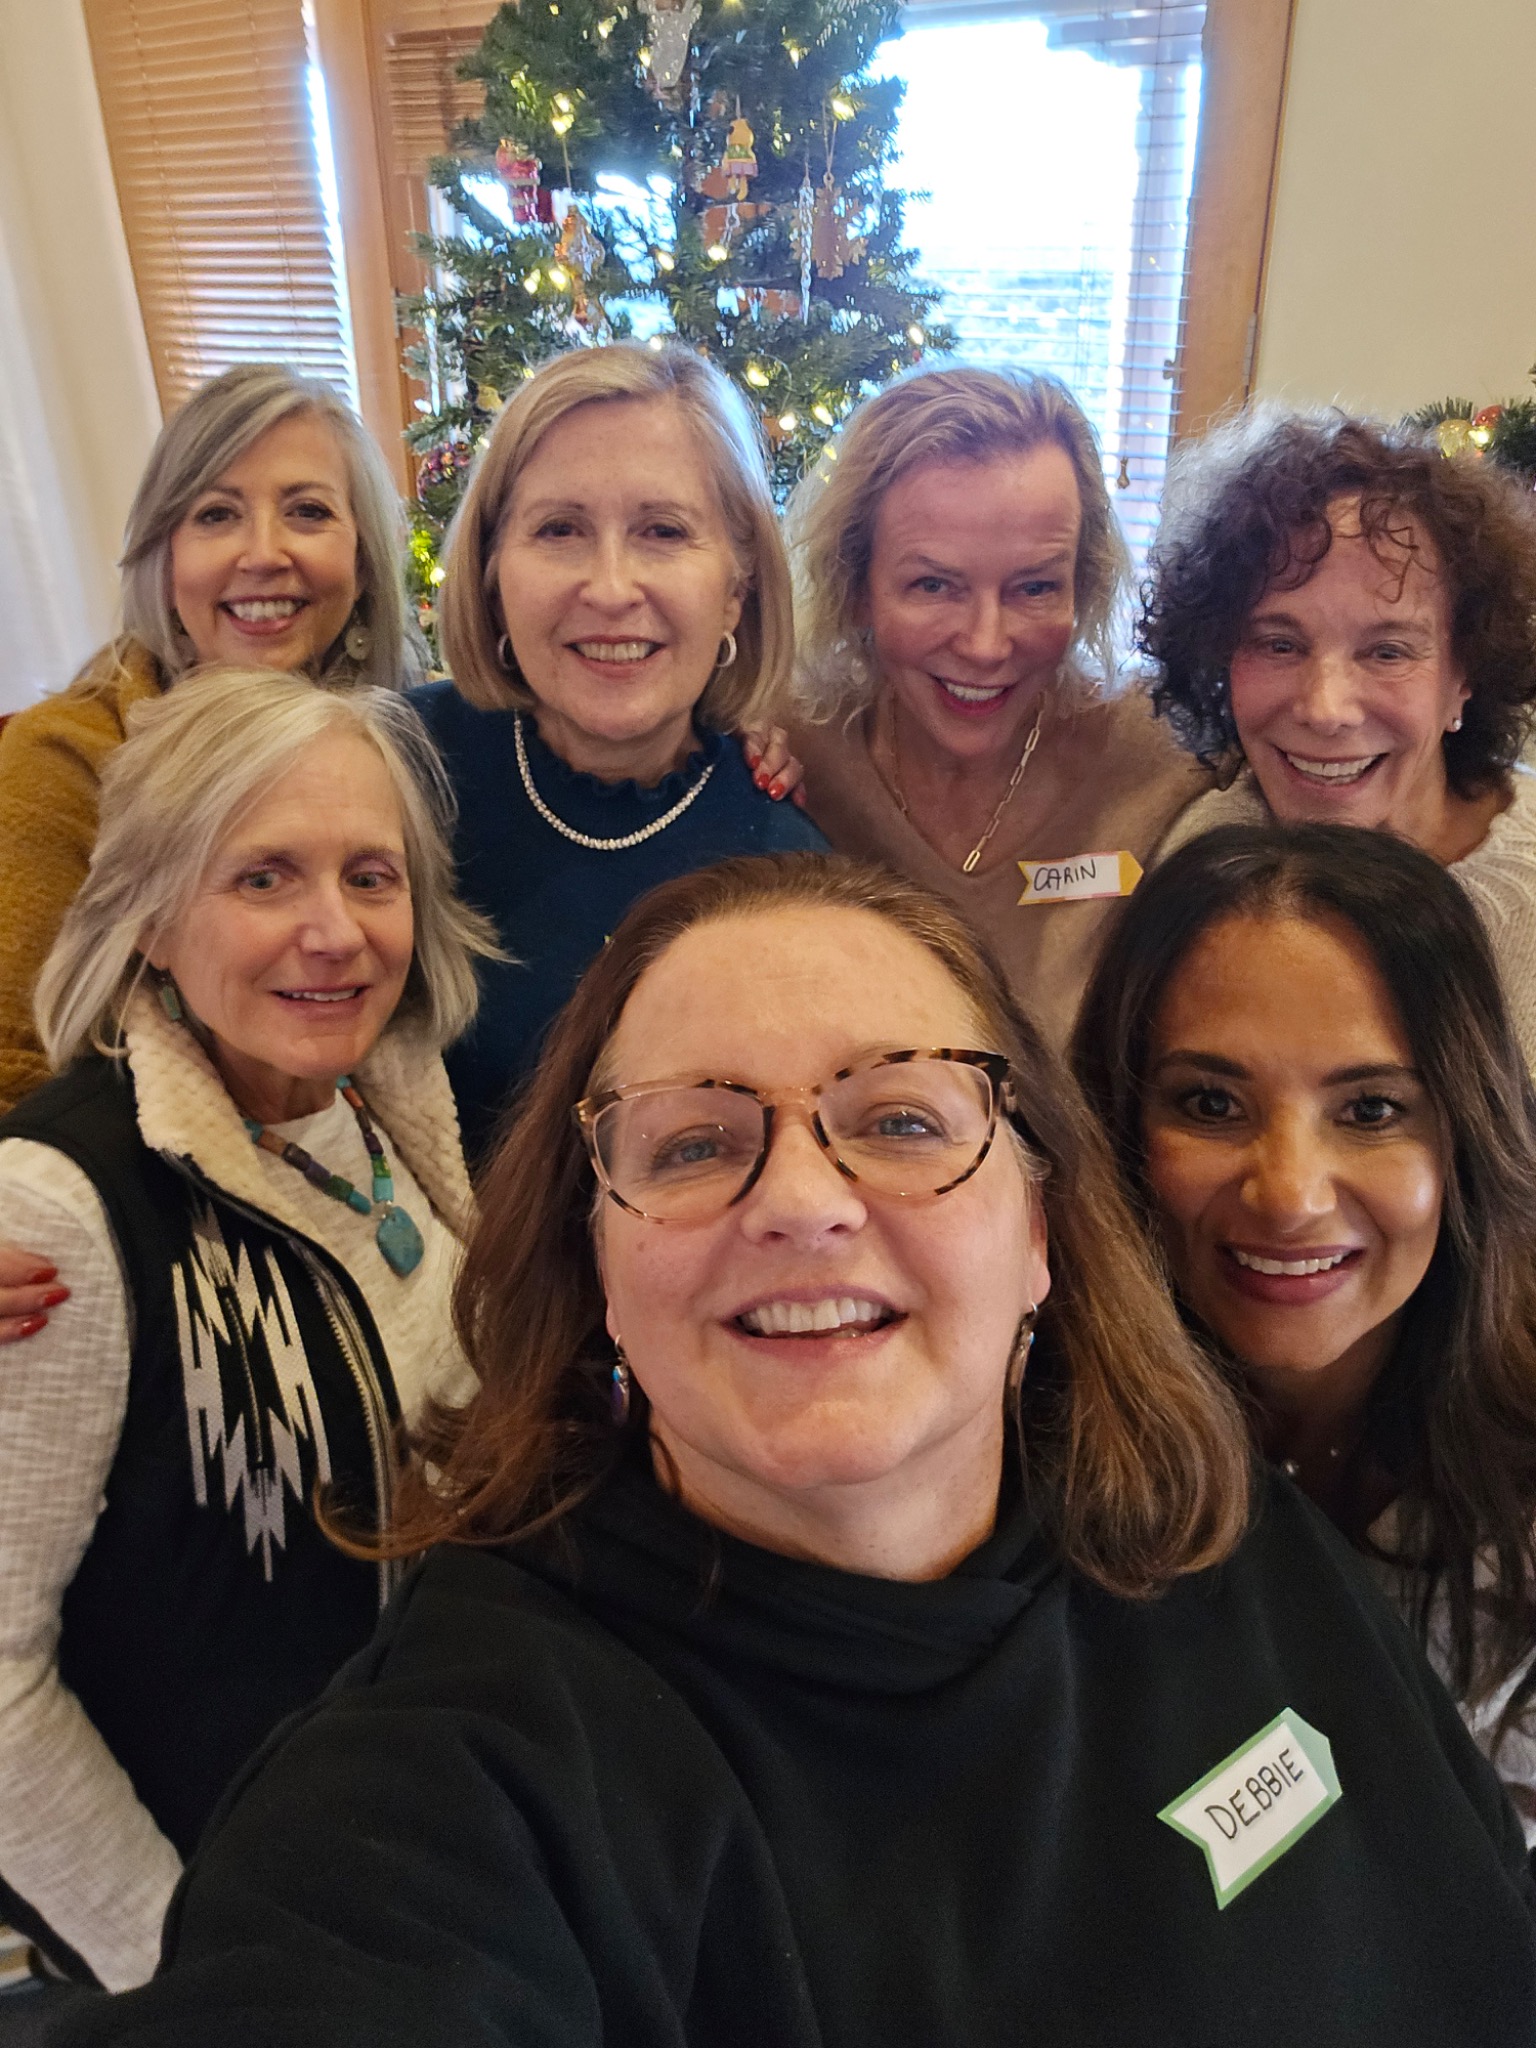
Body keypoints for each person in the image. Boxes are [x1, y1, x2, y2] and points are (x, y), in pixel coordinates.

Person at [53, 854, 1536, 2048]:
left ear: (1041, 1228)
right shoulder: (461, 1777)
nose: (801, 1202)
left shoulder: (1214, 1529)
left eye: (896, 1117)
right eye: (694, 1144)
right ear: (598, 1267)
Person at [0, 667, 493, 1995]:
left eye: (370, 876)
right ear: (153, 915)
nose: (332, 930)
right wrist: (189, 1962)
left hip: (401, 1868)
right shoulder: (60, 1208)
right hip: (225, 1933)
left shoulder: (388, 1106)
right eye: (263, 876)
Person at [1074, 821, 1536, 1841]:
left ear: (1467, 1127)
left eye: (1370, 1109)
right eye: (1210, 1101)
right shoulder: (1031, 1452)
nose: (1287, 1194)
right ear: (1118, 1120)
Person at [411, 341, 826, 1160]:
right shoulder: (394, 770)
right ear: (492, 569)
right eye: (559, 529)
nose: (608, 588)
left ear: (737, 589)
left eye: (663, 531)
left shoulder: (784, 869)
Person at [0, 362, 419, 1129]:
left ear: (362, 564)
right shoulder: (62, 763)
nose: (263, 553)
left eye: (307, 511)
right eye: (216, 515)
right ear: (163, 560)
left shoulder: (406, 749)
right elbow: (11, 1073)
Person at [784, 366, 1212, 1050]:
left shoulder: (1168, 759)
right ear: (857, 584)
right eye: (933, 584)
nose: (986, 645)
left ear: (1085, 583)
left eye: (1035, 587)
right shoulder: (791, 753)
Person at [1145, 405, 1536, 1068]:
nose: (1325, 710)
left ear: (1464, 675)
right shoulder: (1204, 840)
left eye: (1387, 652)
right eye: (1278, 643)